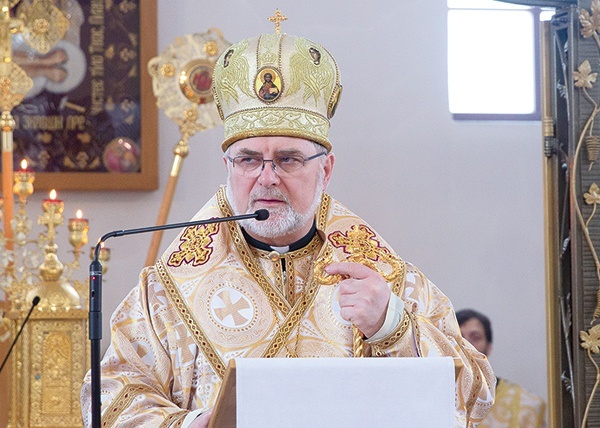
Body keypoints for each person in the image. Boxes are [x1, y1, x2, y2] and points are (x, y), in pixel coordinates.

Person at [80, 28, 496, 428]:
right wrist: (187, 424)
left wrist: (392, 326)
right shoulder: (167, 289)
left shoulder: (384, 279)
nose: (266, 177)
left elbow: (477, 395)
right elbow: (106, 397)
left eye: (288, 158)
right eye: (248, 160)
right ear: (228, 167)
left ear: (326, 169)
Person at [456, 309, 546, 428]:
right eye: (458, 338)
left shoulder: (527, 406)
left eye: (475, 337)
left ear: (488, 347)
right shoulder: (431, 401)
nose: (466, 345)